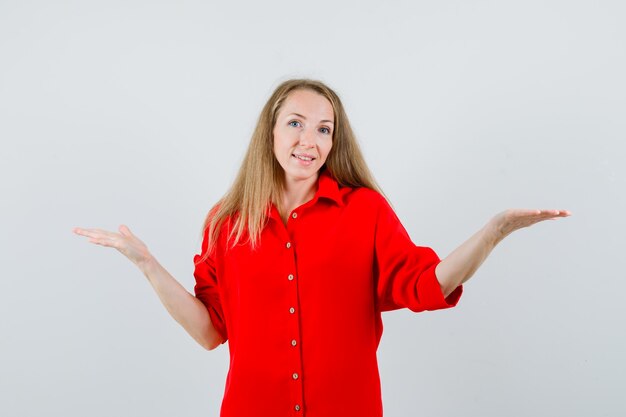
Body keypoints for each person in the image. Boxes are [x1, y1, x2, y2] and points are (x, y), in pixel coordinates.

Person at [73, 78, 571, 417]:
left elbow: (425, 285)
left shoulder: (365, 211)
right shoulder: (227, 223)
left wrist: (493, 233)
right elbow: (210, 331)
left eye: (323, 128)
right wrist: (145, 262)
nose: (309, 139)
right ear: (269, 131)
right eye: (295, 122)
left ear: (335, 141)